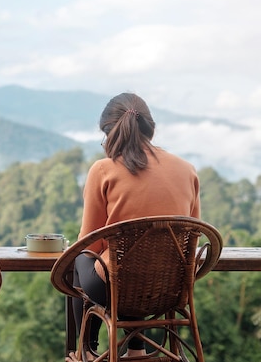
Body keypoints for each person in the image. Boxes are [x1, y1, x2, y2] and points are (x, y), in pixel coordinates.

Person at [67, 92, 200, 362]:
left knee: (79, 258)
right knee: (135, 264)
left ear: (108, 133)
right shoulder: (187, 169)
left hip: (115, 289)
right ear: (150, 128)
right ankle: (137, 350)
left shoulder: (103, 169)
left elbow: (90, 243)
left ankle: (85, 352)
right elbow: (193, 235)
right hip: (173, 288)